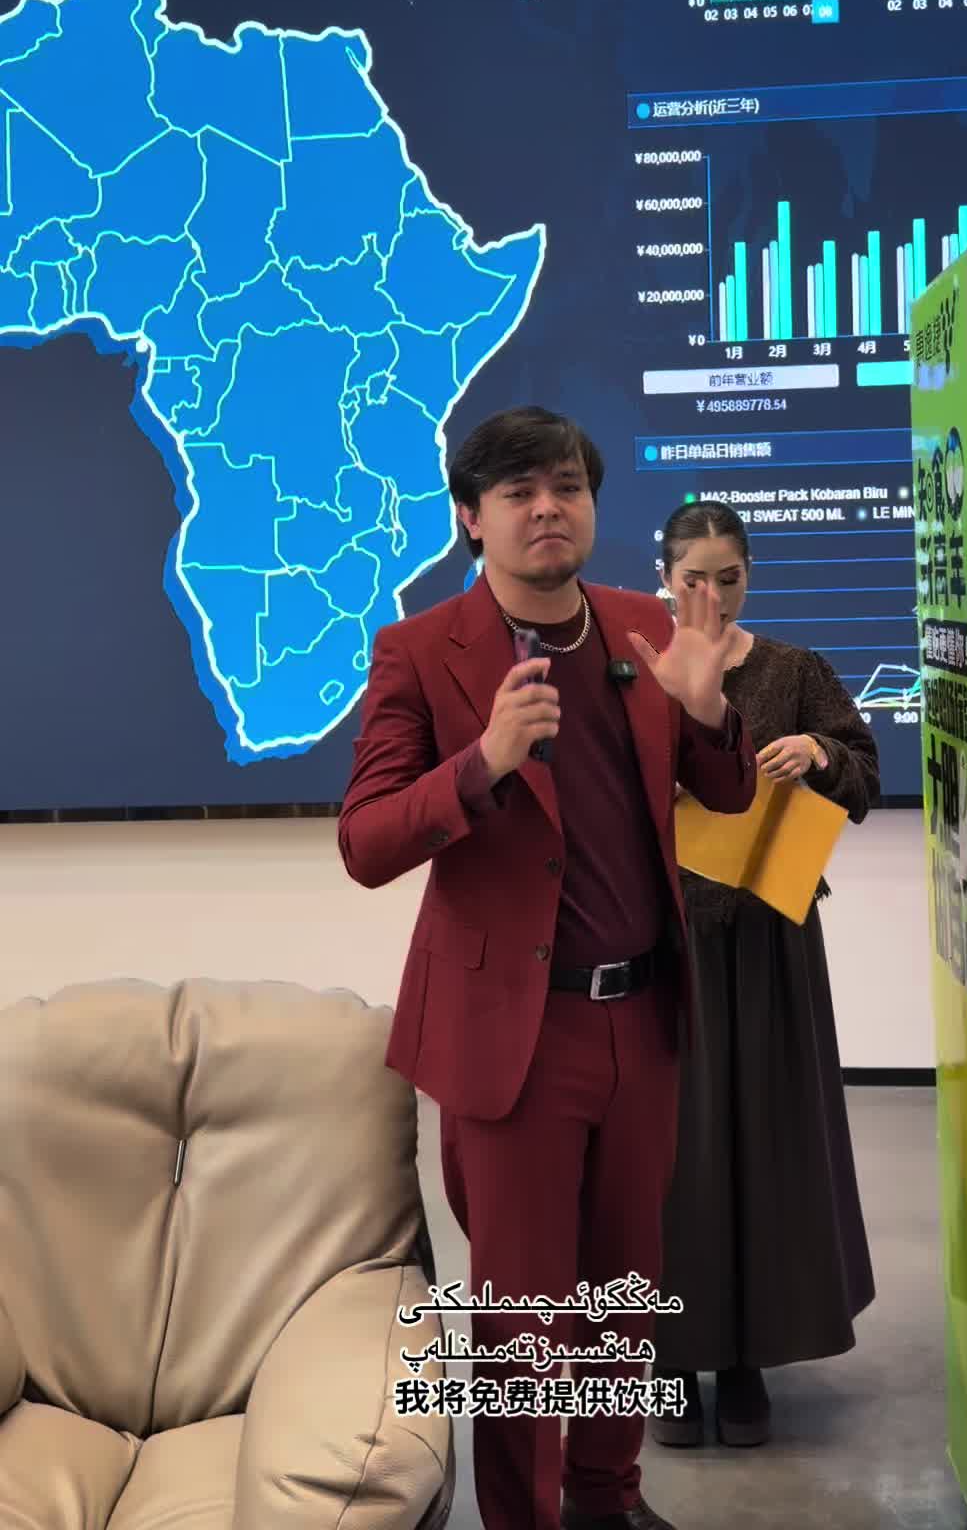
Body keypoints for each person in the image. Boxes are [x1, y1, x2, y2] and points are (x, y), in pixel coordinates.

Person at [338, 408, 757, 1530]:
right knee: (523, 1315)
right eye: (517, 491)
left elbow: (726, 795)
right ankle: (522, 1517)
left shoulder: (643, 629)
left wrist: (710, 712)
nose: (546, 508)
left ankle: (607, 1498)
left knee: (624, 1291)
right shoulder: (422, 652)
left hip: (643, 1019)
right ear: (471, 518)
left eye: (565, 486)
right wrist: (482, 763)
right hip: (514, 1034)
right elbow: (367, 842)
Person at [649, 497, 879, 1452]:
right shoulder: (635, 668)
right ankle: (668, 1357)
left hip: (771, 942)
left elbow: (863, 775)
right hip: (664, 945)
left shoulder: (794, 670)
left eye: (729, 577)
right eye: (693, 578)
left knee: (766, 1148)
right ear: (665, 578)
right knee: (671, 1157)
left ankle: (746, 1356)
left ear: (751, 575)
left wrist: (820, 751)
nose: (711, 594)